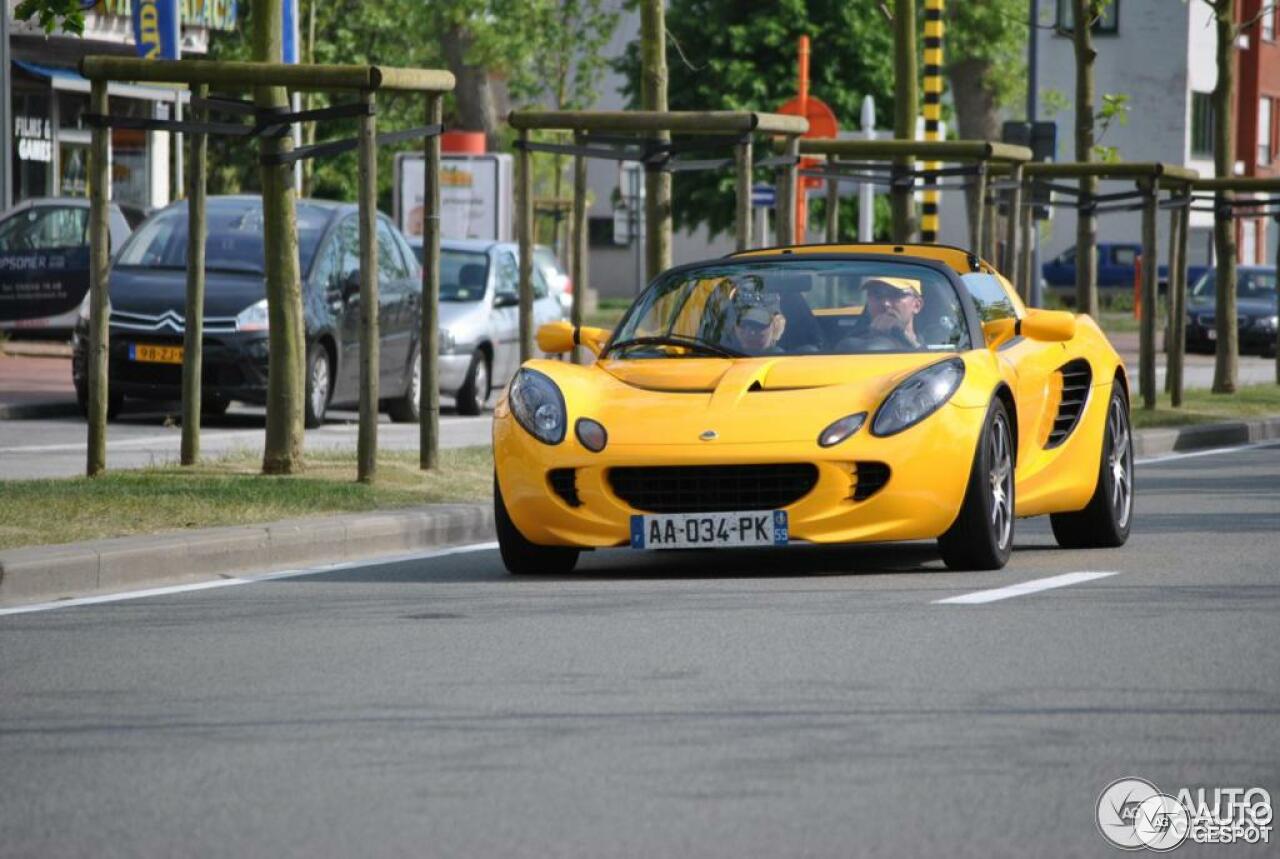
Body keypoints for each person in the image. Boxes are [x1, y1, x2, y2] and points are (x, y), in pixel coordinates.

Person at [849, 276, 925, 350]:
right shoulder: (851, 345)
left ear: (916, 305)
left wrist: (910, 342)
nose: (886, 303)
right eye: (877, 295)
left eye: (896, 294)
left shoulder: (934, 342)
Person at [723, 284, 786, 354]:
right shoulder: (717, 357)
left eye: (758, 325)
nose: (750, 332)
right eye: (743, 324)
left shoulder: (789, 363)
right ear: (733, 326)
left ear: (776, 326)